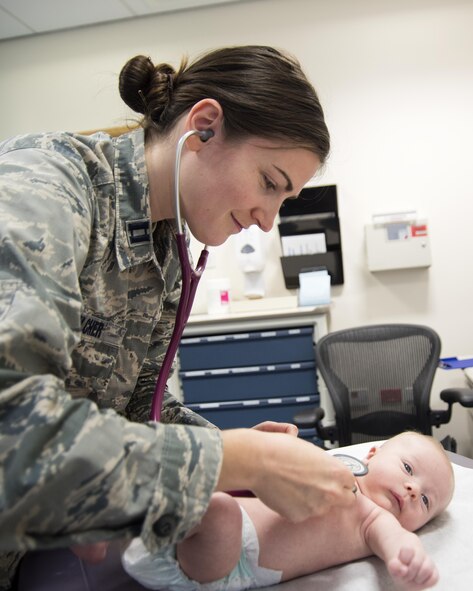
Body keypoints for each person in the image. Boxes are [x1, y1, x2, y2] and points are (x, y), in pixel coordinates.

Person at [0, 45, 357, 590]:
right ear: (206, 126)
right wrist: (238, 460)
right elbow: (12, 436)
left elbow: (140, 407)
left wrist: (232, 444)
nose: (268, 222)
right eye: (269, 182)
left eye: (285, 200)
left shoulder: (164, 248)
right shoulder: (44, 187)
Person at [122, 431, 455, 591]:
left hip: (229, 560)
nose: (414, 490)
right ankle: (130, 506)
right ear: (371, 454)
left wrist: (410, 559)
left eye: (426, 501)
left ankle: (132, 503)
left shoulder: (372, 518)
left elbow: (395, 540)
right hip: (211, 530)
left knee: (218, 510)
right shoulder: (335, 466)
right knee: (216, 490)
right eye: (408, 468)